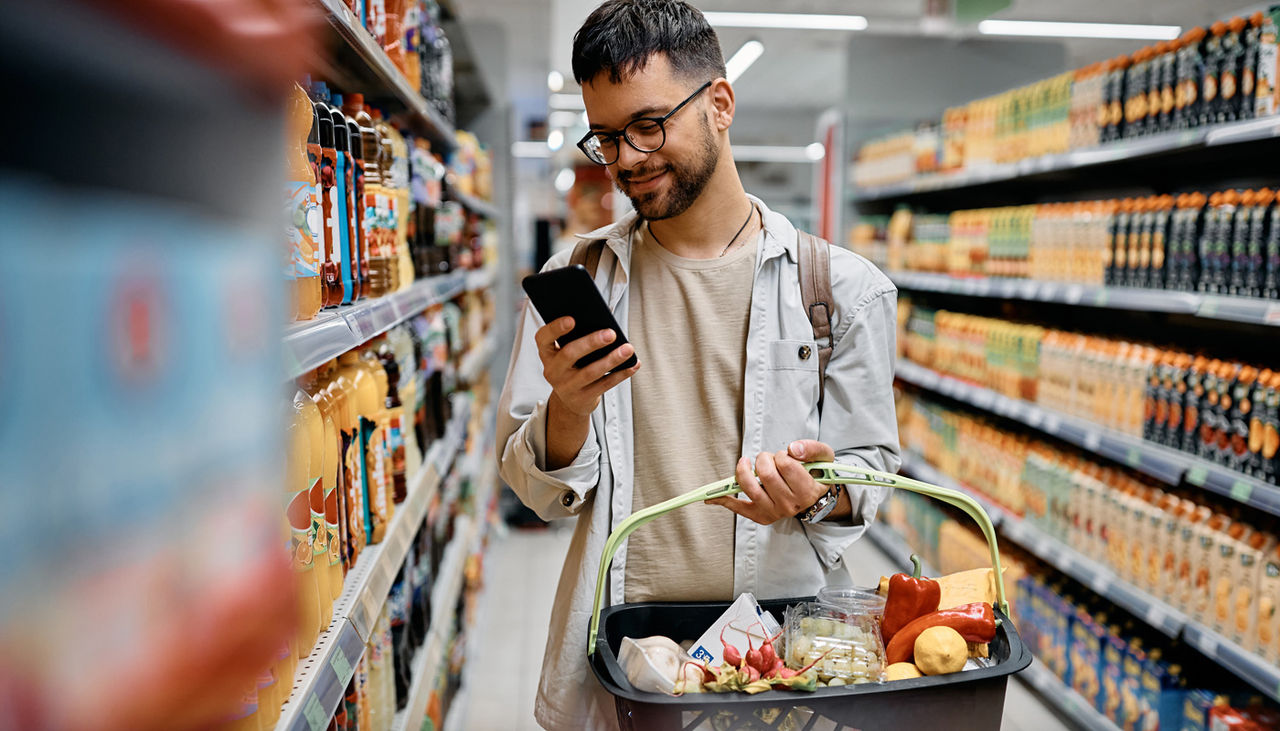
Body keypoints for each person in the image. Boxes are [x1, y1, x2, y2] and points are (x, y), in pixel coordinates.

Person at [495, 1, 900, 727]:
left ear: (720, 104)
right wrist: (568, 408)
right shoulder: (580, 275)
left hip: (778, 660)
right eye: (607, 138)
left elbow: (867, 479)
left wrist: (813, 492)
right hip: (625, 658)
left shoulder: (843, 291)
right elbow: (536, 489)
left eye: (648, 127)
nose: (625, 160)